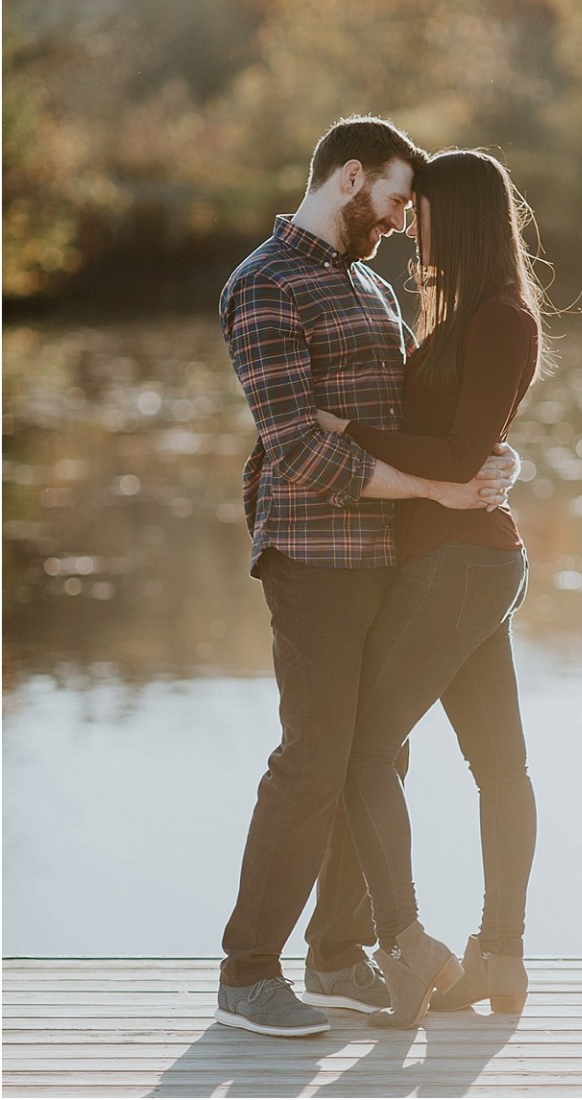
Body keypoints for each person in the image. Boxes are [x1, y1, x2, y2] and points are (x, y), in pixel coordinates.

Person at [215, 118, 519, 1038]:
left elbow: (432, 413)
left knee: (376, 755)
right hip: (312, 555)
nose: (397, 224)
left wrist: (494, 464)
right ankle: (247, 972)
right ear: (349, 177)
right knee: (312, 759)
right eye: (391, 202)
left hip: (390, 554)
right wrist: (441, 485)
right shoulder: (263, 285)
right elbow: (300, 448)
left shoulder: (364, 285)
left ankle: (340, 954)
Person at [316, 149, 549, 1029]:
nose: (411, 224)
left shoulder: (499, 319)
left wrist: (346, 426)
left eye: (424, 211)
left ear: (465, 216)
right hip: (464, 560)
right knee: (501, 765)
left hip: (459, 564)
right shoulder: (468, 315)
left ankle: (409, 948)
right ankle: (499, 957)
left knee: (360, 749)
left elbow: (457, 455)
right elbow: (463, 442)